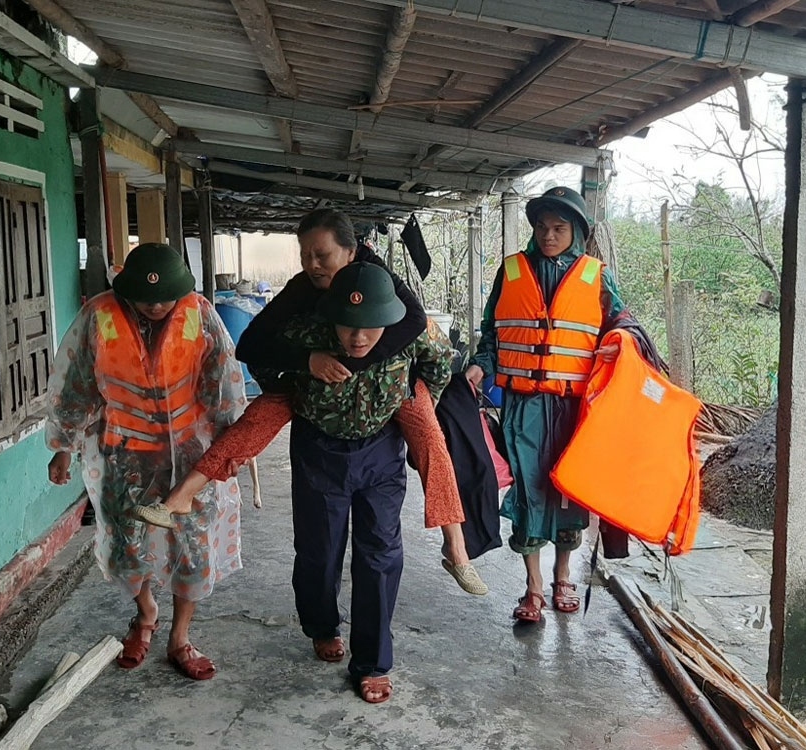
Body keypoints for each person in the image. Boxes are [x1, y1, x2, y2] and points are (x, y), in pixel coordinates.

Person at [143, 209, 487, 596]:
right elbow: (255, 346)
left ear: (351, 251)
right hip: (310, 388)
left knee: (430, 439)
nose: (312, 264)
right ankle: (182, 495)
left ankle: (456, 547)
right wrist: (303, 367)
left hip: (391, 389)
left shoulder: (380, 283)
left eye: (321, 255)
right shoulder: (304, 294)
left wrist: (399, 384)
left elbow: (425, 336)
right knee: (254, 424)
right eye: (305, 254)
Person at [45, 243, 246, 679]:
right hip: (126, 456)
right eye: (145, 297)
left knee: (192, 548)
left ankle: (180, 637)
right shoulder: (99, 317)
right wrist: (64, 445)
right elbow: (75, 384)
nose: (155, 305)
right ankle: (145, 614)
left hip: (192, 460)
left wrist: (232, 446)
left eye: (164, 296)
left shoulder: (201, 314)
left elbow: (224, 382)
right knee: (127, 546)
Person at [465, 186, 655, 621]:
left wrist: (621, 340)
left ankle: (562, 577)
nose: (548, 235)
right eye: (541, 227)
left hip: (573, 410)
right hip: (523, 407)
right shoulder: (512, 271)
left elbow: (622, 324)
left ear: (577, 231)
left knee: (569, 492)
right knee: (530, 493)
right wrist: (481, 364)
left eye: (558, 228)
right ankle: (532, 588)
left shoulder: (596, 275)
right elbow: (492, 330)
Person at [290, 262, 453, 703]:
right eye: (347, 326)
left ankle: (373, 660)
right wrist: (306, 366)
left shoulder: (414, 331)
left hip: (381, 451)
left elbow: (441, 365)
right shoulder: (307, 331)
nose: (357, 338)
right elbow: (266, 364)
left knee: (381, 553)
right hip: (318, 451)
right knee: (319, 550)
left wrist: (413, 408)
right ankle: (322, 625)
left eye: (370, 328)